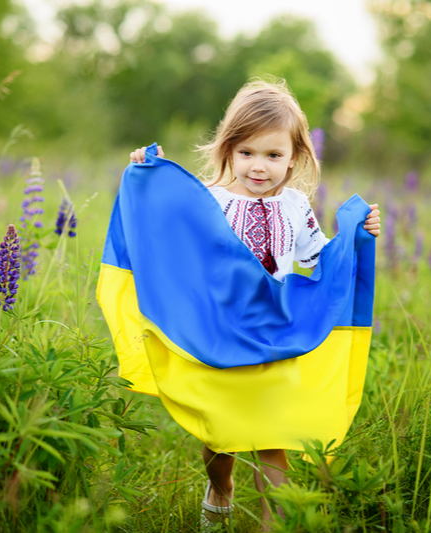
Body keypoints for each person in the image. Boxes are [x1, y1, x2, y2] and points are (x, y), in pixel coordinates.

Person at [126, 79, 381, 531]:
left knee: (273, 439)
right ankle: (220, 487)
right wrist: (151, 176)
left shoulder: (296, 205)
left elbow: (317, 256)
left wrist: (357, 239)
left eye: (273, 155)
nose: (258, 166)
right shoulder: (210, 200)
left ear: (295, 157)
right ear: (227, 149)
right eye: (246, 153)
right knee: (220, 438)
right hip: (218, 331)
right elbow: (170, 229)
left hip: (275, 331)